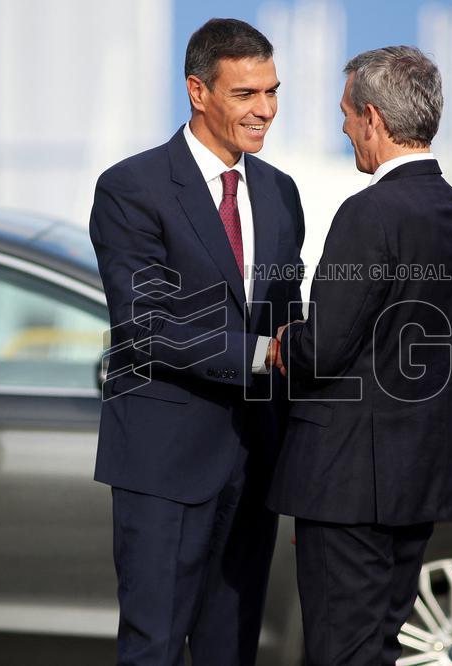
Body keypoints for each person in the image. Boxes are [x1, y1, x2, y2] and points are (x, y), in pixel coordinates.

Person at [88, 18, 305, 666]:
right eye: (246, 94)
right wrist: (264, 354)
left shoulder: (279, 191)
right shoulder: (132, 188)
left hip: (255, 463)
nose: (264, 110)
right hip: (163, 465)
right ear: (198, 91)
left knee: (231, 652)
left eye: (271, 91)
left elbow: (287, 318)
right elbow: (144, 326)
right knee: (152, 649)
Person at [269, 46, 452, 665]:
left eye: (346, 115)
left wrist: (287, 341)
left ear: (373, 117)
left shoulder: (367, 213)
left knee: (341, 650)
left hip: (344, 483)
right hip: (419, 476)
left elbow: (320, 350)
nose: (344, 129)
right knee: (378, 648)